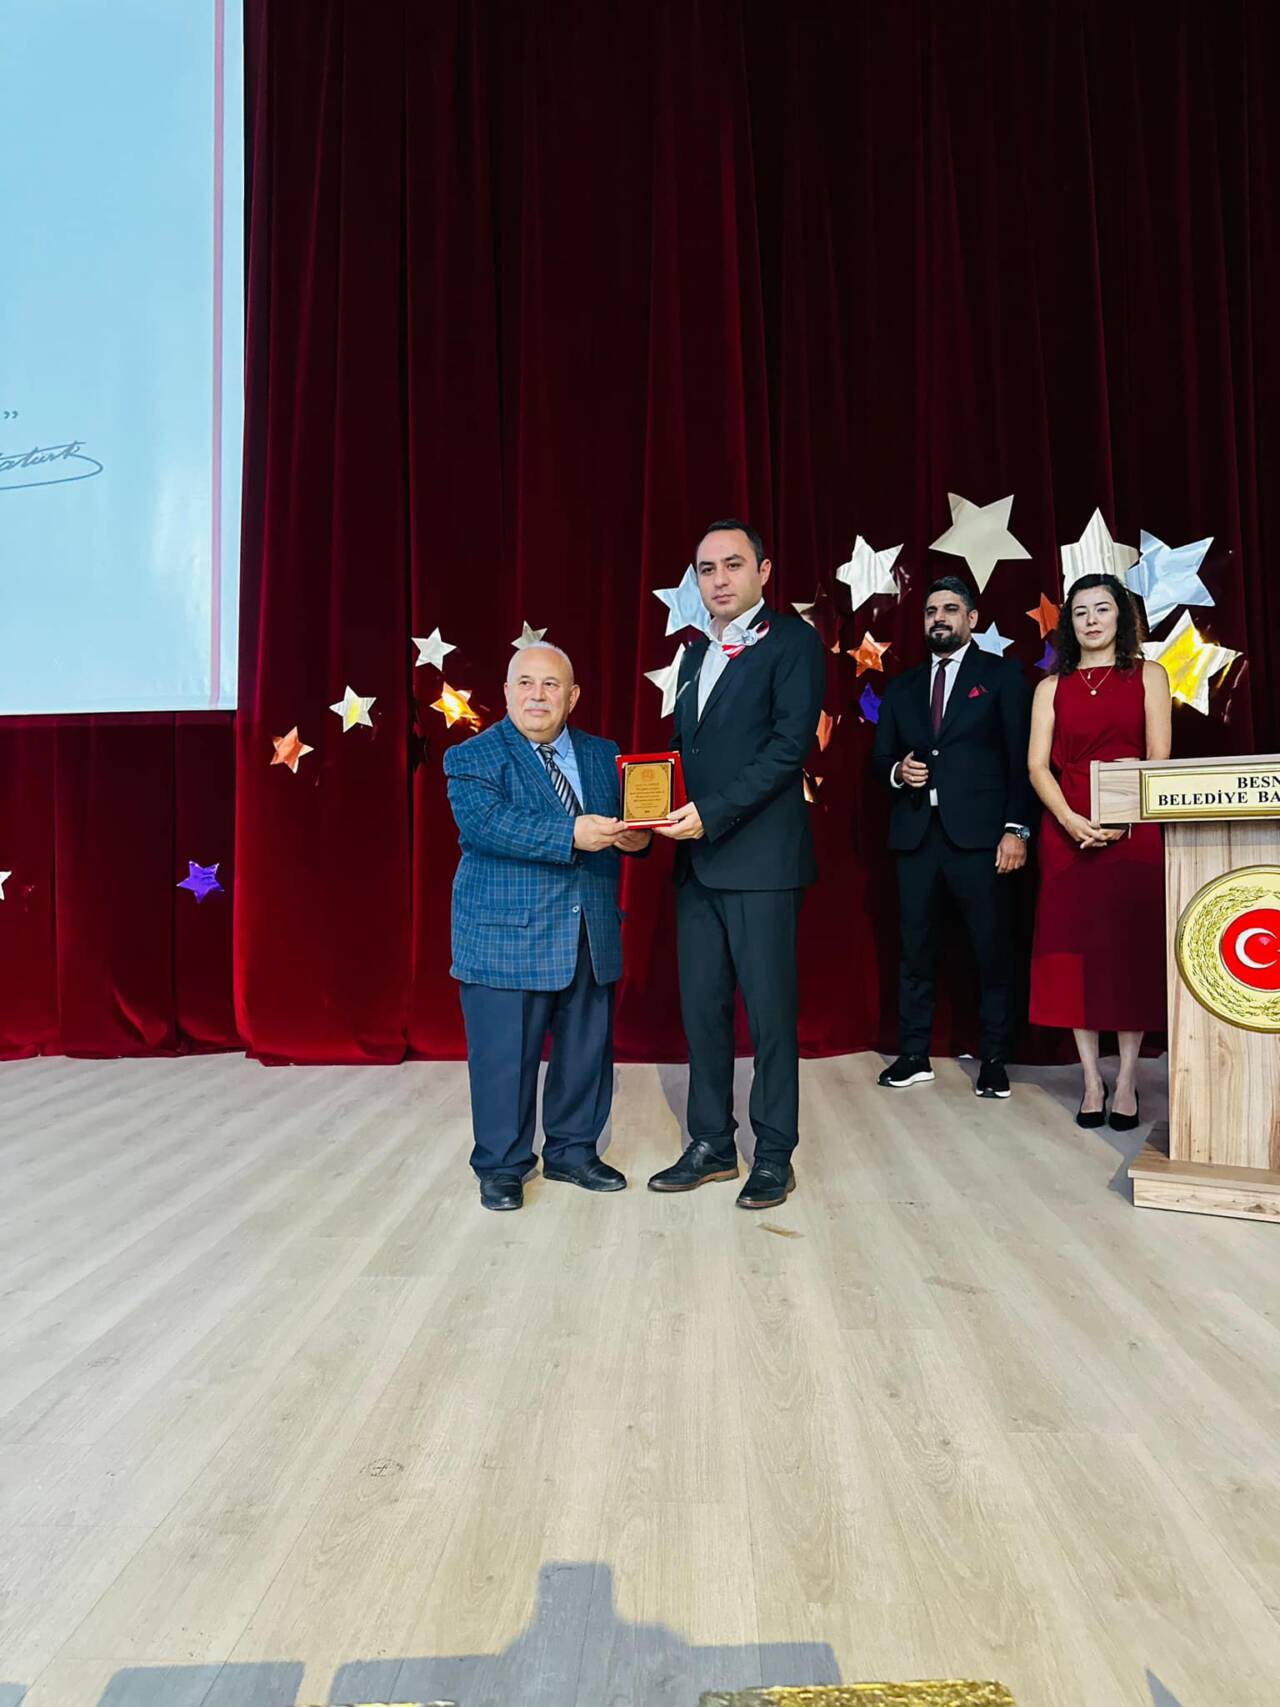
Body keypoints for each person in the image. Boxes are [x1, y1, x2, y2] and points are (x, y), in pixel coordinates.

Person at [648, 518, 826, 1210]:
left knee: (771, 1017)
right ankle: (711, 1143)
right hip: (697, 861)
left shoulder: (794, 642)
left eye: (732, 564)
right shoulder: (694, 655)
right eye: (706, 568)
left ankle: (774, 1153)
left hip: (762, 863)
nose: (719, 579)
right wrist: (647, 808)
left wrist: (711, 811)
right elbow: (683, 751)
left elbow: (787, 750)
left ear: (763, 571)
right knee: (702, 1012)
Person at [442, 645, 650, 1210]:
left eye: (551, 685)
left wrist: (637, 838)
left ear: (572, 696)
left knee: (585, 1053)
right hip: (505, 936)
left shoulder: (604, 754)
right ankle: (502, 1166)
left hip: (590, 930)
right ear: (507, 692)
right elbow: (489, 825)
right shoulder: (472, 756)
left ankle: (573, 1152)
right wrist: (571, 834)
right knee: (504, 1059)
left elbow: (626, 827)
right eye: (526, 683)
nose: (538, 695)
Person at [871, 576, 1034, 1097]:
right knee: (915, 952)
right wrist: (899, 772)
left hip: (983, 840)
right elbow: (879, 759)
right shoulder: (902, 687)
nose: (938, 618)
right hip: (916, 839)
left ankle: (994, 1060)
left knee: (991, 951)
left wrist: (1016, 829)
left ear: (972, 618)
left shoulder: (1003, 677)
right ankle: (913, 1055)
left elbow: (1021, 760)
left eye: (949, 609)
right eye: (930, 611)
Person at [1028, 572, 1171, 1130]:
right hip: (1067, 830)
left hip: (1134, 830)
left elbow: (1158, 758)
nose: (1091, 620)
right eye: (1080, 611)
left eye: (1102, 609)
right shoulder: (1050, 687)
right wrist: (1069, 820)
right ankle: (1091, 1079)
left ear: (1122, 618)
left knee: (1128, 952)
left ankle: (1128, 1078)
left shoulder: (1149, 675)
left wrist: (1122, 818)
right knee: (1073, 956)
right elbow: (1037, 766)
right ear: (1069, 623)